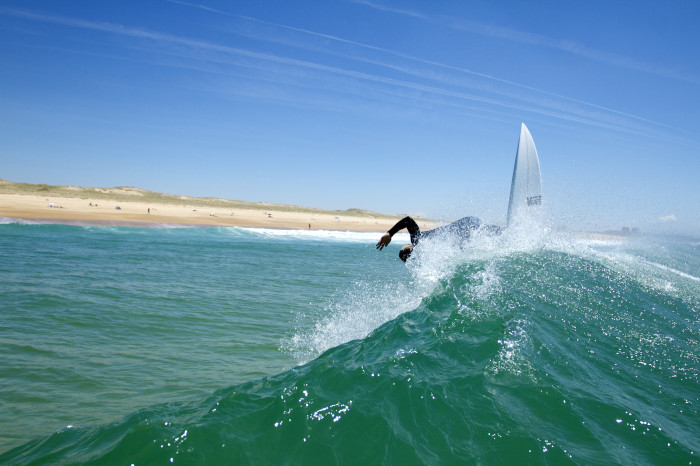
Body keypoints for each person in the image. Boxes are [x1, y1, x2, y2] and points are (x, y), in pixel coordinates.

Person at [376, 216, 501, 262]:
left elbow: (408, 220)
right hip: (466, 230)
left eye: (407, 253)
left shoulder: (418, 241)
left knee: (490, 232)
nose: (410, 256)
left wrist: (390, 233)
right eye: (408, 258)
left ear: (409, 247)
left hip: (465, 226)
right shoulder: (429, 255)